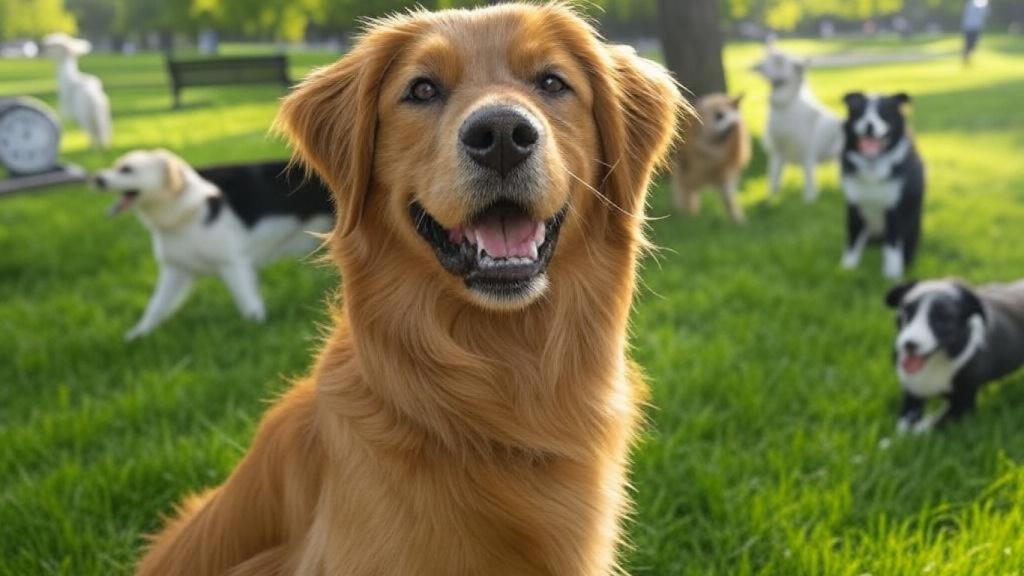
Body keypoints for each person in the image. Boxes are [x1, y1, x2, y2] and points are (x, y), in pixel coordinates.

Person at [962, 0, 989, 64]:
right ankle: (966, 59)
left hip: (975, 27)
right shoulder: (971, 4)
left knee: (972, 45)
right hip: (969, 27)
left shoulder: (980, 4)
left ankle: (968, 59)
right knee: (968, 45)